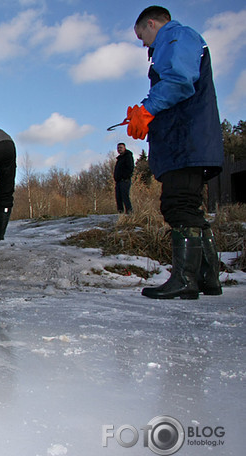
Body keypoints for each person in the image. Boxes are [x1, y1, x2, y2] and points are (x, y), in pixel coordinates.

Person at [126, 5, 223, 299]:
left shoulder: (175, 36)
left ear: (152, 24)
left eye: (142, 36)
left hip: (187, 141)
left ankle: (185, 279)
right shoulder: (182, 40)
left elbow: (180, 81)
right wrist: (145, 112)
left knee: (178, 205)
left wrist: (147, 110)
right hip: (189, 140)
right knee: (189, 206)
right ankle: (207, 278)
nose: (143, 44)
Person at [113, 143, 134, 214]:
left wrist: (125, 176)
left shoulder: (128, 156)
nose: (119, 149)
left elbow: (130, 168)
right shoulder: (119, 159)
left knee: (125, 197)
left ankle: (129, 213)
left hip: (125, 181)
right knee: (118, 198)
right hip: (118, 181)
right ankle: (120, 214)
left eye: (121, 148)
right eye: (118, 148)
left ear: (124, 148)